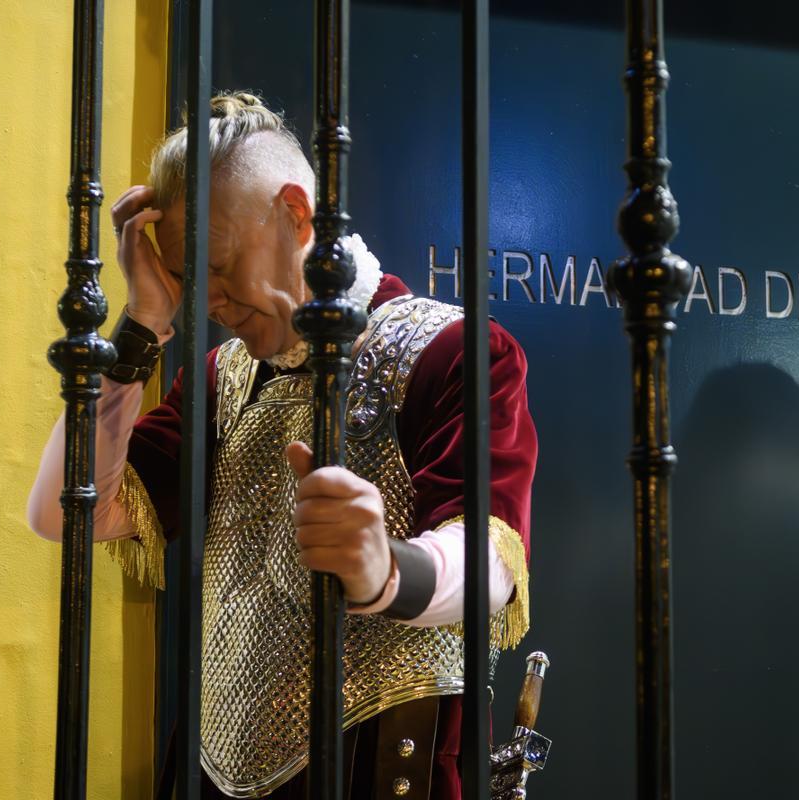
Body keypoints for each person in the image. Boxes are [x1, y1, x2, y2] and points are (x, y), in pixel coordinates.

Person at [27, 91, 537, 799]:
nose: (203, 298)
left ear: (296, 214)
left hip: (380, 764)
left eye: (220, 264)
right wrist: (141, 321)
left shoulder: (451, 350)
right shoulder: (222, 378)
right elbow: (63, 510)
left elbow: (492, 561)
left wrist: (384, 568)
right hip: (212, 770)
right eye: (184, 274)